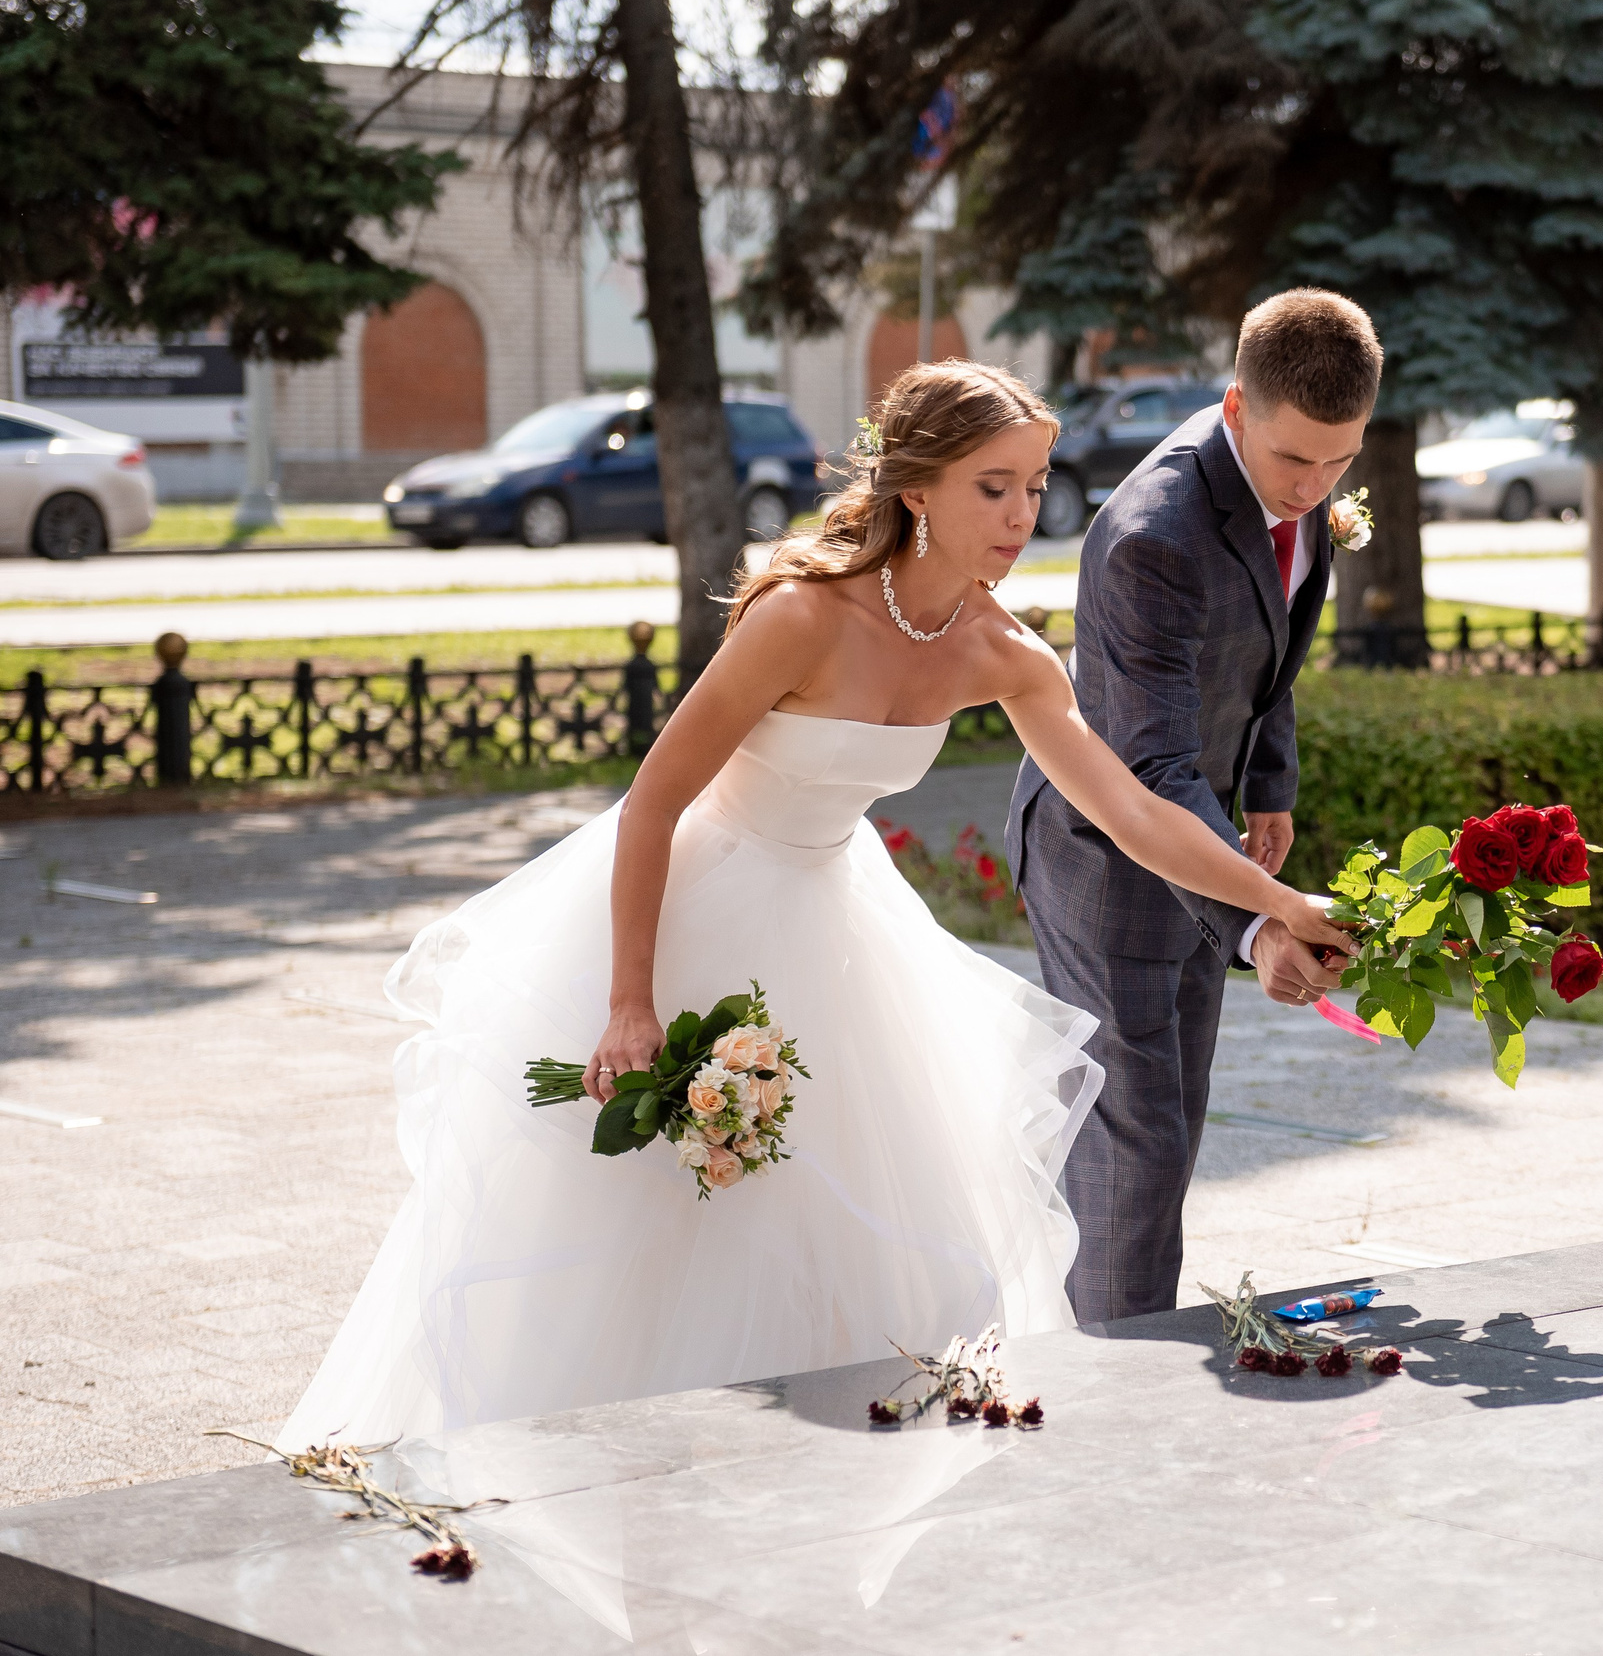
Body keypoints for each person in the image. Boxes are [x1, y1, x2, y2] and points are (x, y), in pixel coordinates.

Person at [277, 362, 1350, 1448]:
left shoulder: (1004, 651)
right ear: (918, 489)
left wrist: (1274, 902)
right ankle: (616, 1465)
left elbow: (1131, 812)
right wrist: (630, 1001)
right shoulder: (800, 615)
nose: (1022, 516)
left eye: (1032, 486)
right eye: (993, 487)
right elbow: (650, 804)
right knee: (650, 1230)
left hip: (837, 928)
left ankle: (796, 1484)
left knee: (854, 1248)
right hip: (693, 906)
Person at [1007, 288, 1379, 1322]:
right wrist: (1264, 917)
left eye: (1338, 461)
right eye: (1292, 459)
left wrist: (1267, 786)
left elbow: (1268, 652)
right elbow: (1152, 770)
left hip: (1203, 827)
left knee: (1171, 1117)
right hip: (1102, 853)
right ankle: (1119, 1393)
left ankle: (1111, 1340)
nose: (1313, 487)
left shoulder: (1300, 487)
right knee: (1139, 1138)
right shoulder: (1152, 535)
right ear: (1233, 407)